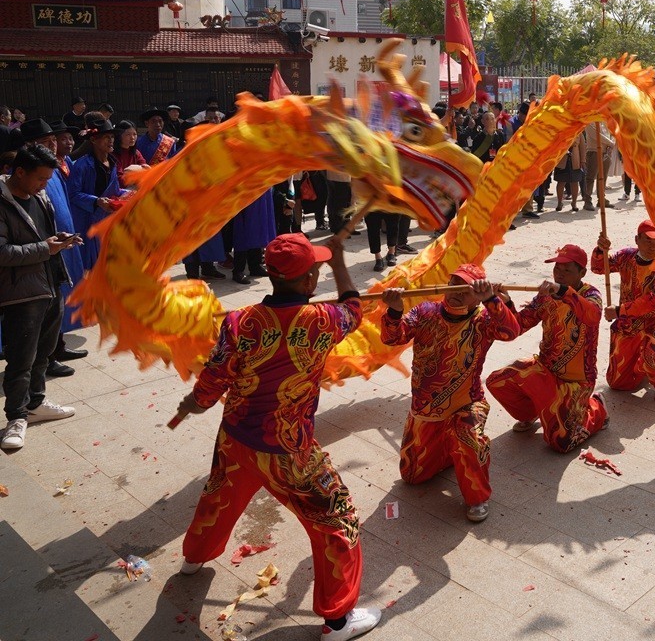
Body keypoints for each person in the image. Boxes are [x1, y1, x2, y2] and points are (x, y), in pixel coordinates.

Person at [173, 234, 378, 640]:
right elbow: (354, 307)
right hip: (290, 451)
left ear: (269, 273)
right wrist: (338, 264)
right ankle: (338, 620)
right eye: (315, 271)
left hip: (236, 438)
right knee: (337, 520)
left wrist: (194, 402)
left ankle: (193, 560)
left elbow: (212, 382)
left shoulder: (239, 321)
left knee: (218, 495)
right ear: (307, 282)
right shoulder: (323, 321)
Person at [380, 263, 520, 522]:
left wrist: (493, 299)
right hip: (426, 409)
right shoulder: (425, 311)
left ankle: (477, 497)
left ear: (477, 294)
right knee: (412, 477)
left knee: (467, 435)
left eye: (464, 288)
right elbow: (392, 338)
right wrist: (395, 310)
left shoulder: (483, 320)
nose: (456, 292)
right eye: (453, 283)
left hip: (467, 403)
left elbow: (511, 331)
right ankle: (448, 448)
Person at [486, 245, 608, 451]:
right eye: (557, 269)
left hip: (576, 381)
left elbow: (593, 315)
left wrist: (564, 292)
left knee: (562, 442)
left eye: (567, 270)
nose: (559, 274)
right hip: (545, 369)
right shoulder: (545, 295)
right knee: (497, 382)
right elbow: (518, 326)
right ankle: (533, 412)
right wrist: (504, 303)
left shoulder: (590, 295)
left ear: (582, 273)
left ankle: (597, 409)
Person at [2, 144, 80, 451]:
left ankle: (36, 403)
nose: (45, 185)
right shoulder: (3, 202)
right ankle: (15, 417)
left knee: (45, 353)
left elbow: (42, 236)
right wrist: (44, 249)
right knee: (21, 358)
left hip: (50, 283)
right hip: (21, 292)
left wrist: (60, 241)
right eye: (40, 179)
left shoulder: (39, 196)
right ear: (19, 172)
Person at [18, 120, 86, 371]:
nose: (53, 145)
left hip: (59, 242)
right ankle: (44, 360)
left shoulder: (55, 168)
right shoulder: (27, 175)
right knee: (45, 305)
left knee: (61, 298)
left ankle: (57, 347)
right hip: (41, 247)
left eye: (53, 141)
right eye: (46, 142)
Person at [592, 220, 655, 401]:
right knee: (617, 383)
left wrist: (618, 310)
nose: (653, 246)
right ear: (637, 240)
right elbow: (599, 267)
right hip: (627, 324)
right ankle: (640, 366)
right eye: (648, 240)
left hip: (653, 323)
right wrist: (601, 249)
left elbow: (652, 301)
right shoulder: (626, 256)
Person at [66, 118, 125, 270]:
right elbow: (72, 194)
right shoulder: (82, 165)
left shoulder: (112, 162)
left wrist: (132, 194)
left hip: (107, 221)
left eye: (112, 137)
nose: (111, 141)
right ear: (93, 139)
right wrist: (96, 201)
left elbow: (116, 191)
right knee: (90, 267)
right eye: (107, 137)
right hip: (88, 221)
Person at [230, 189, 276, 285]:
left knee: (258, 228)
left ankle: (255, 266)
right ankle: (238, 270)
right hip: (245, 191)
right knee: (243, 230)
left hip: (261, 190)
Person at [579, 122, 615, 212]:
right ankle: (587, 200)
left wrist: (611, 143)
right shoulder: (590, 121)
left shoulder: (604, 120)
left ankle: (601, 199)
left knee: (602, 178)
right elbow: (595, 135)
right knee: (590, 177)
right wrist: (611, 143)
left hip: (606, 151)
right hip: (594, 151)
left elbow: (613, 133)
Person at [554, 132, 586, 212]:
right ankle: (559, 202)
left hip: (575, 161)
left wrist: (583, 161)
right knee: (561, 181)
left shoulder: (579, 132)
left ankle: (574, 203)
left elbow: (582, 148)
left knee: (575, 182)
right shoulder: (561, 130)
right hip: (562, 160)